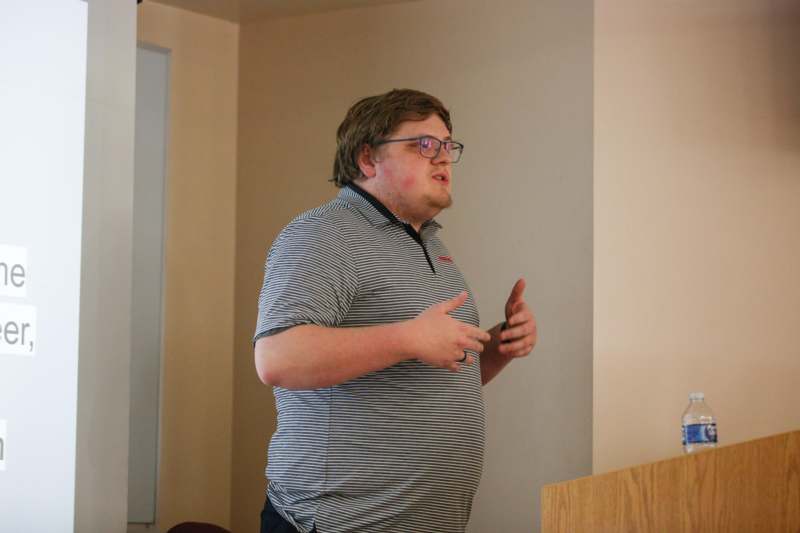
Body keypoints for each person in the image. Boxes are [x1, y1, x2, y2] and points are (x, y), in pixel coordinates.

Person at [254, 88, 537, 533]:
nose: (443, 158)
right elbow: (277, 358)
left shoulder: (432, 244)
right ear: (368, 160)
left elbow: (432, 370)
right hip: (335, 524)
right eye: (424, 145)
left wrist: (498, 345)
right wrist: (408, 338)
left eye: (448, 146)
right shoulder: (322, 234)